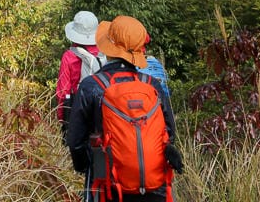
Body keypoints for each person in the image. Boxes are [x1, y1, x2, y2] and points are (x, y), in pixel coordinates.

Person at [66, 16, 183, 202]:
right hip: (154, 187)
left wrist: (85, 166)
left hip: (107, 186)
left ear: (109, 48)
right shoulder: (152, 85)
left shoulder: (91, 86)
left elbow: (75, 141)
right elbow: (169, 132)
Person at [56, 10, 102, 125]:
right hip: (103, 109)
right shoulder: (105, 53)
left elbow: (63, 91)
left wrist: (62, 119)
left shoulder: (69, 56)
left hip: (78, 110)